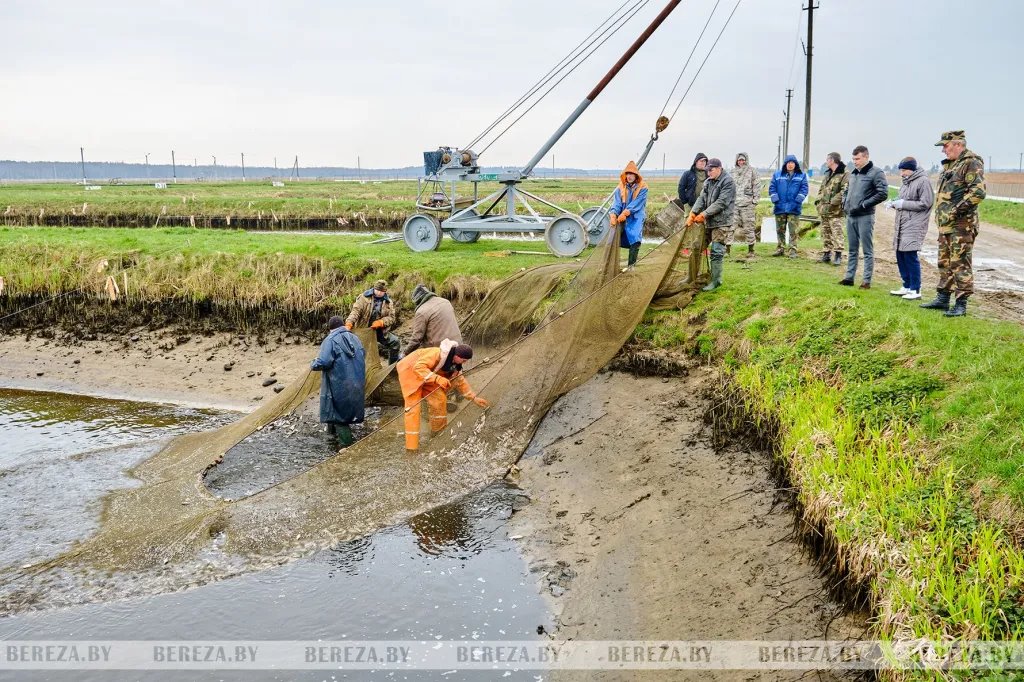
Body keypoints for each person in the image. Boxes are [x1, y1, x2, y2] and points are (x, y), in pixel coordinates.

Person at [920, 130, 986, 317]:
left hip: (961, 225)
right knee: (945, 262)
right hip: (946, 225)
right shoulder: (951, 165)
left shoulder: (971, 163)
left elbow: (978, 192)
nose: (943, 151)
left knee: (960, 264)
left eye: (946, 146)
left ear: (958, 144)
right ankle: (942, 298)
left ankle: (961, 303)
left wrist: (955, 210)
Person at [397, 339, 489, 452]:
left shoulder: (455, 364)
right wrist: (437, 378)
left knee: (440, 399)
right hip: (409, 372)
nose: (464, 363)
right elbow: (418, 367)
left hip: (428, 376)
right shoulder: (435, 354)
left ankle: (437, 432)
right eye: (463, 360)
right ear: (456, 355)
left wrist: (474, 398)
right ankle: (411, 448)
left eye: (466, 361)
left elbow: (460, 381)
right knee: (413, 409)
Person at [311, 315, 366, 448]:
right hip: (357, 383)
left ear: (330, 329)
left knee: (339, 416)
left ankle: (346, 448)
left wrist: (314, 364)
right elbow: (363, 355)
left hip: (339, 384)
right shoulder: (355, 338)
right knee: (343, 412)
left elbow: (324, 361)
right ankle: (332, 440)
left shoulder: (330, 340)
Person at [839, 145, 889, 289]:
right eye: (853, 159)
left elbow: (882, 193)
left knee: (867, 250)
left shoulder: (876, 173)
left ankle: (866, 281)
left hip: (865, 216)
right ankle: (849, 278)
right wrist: (844, 203)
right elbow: (847, 190)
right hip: (850, 216)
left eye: (858, 159)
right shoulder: (853, 173)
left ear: (866, 157)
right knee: (852, 249)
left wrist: (864, 205)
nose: (855, 161)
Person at [885, 157, 934, 301]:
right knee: (900, 254)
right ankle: (906, 285)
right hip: (902, 224)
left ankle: (915, 289)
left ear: (912, 169)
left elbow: (926, 203)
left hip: (915, 225)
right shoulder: (905, 183)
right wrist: (894, 203)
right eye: (901, 170)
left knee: (910, 256)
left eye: (904, 170)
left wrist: (903, 204)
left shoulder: (923, 181)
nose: (902, 173)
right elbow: (903, 200)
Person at [686, 157, 735, 291]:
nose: (709, 173)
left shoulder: (728, 182)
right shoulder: (708, 182)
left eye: (711, 170)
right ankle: (690, 277)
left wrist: (704, 214)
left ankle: (716, 281)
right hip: (708, 222)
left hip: (722, 222)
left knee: (716, 251)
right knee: (696, 247)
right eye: (707, 170)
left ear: (719, 168)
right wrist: (693, 212)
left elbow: (721, 202)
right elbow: (701, 198)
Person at [345, 278, 401, 363]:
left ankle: (392, 369)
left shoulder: (389, 302)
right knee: (358, 351)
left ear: (385, 292)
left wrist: (381, 322)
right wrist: (349, 322)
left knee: (395, 342)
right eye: (377, 290)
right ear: (373, 289)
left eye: (381, 291)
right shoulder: (363, 298)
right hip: (363, 331)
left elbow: (392, 318)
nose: (379, 293)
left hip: (379, 331)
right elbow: (355, 312)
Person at [608, 160, 649, 270]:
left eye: (632, 174)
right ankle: (609, 264)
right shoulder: (620, 187)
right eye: (628, 174)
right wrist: (613, 214)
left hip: (636, 215)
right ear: (625, 175)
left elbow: (637, 203)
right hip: (621, 215)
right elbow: (617, 203)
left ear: (636, 175)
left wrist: (626, 213)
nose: (629, 176)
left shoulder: (643, 187)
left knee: (635, 238)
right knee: (613, 237)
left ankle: (631, 266)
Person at [402, 284, 462, 357]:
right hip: (458, 345)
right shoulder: (446, 302)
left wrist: (405, 353)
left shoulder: (421, 311)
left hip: (441, 351)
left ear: (417, 301)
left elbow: (416, 338)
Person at [768, 154, 809, 258]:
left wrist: (798, 200)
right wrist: (775, 199)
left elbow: (804, 189)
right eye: (788, 163)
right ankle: (780, 248)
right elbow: (772, 187)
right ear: (785, 164)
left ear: (795, 164)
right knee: (780, 230)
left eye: (792, 163)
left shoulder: (801, 176)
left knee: (793, 231)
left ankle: (793, 250)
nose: (790, 165)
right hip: (780, 207)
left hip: (794, 207)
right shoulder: (777, 175)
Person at [814, 152, 849, 265]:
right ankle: (826, 254)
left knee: (837, 232)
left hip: (836, 211)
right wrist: (818, 202)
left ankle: (838, 255)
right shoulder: (828, 173)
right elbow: (822, 189)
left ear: (832, 160)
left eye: (827, 159)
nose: (826, 161)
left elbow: (845, 191)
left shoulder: (844, 173)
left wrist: (832, 202)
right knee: (825, 232)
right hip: (824, 209)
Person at [731, 153, 761, 256]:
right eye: (739, 160)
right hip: (734, 205)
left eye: (743, 160)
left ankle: (751, 250)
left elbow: (756, 185)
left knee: (749, 228)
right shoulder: (732, 172)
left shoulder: (752, 171)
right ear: (736, 161)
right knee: (730, 227)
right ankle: (727, 250)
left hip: (747, 205)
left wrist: (755, 201)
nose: (741, 162)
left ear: (746, 160)